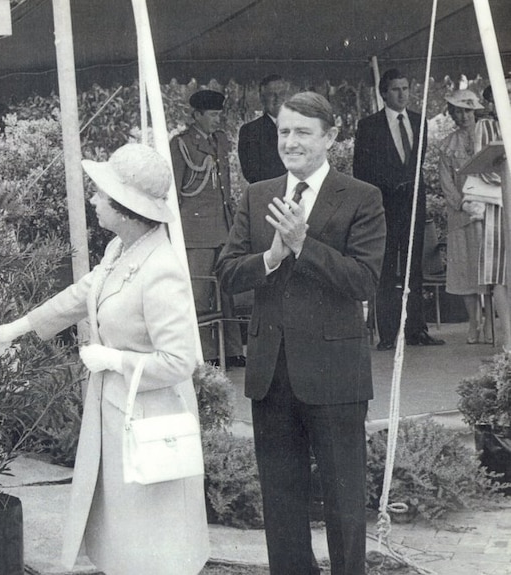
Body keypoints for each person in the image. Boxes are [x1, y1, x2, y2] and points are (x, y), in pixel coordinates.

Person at [0, 143, 209, 575]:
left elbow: (180, 362)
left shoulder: (161, 268)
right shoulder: (119, 250)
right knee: (121, 531)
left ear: (125, 208)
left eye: (100, 194)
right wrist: (16, 328)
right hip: (115, 412)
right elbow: (79, 296)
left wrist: (112, 358)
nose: (93, 199)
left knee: (153, 537)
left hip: (151, 420)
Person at [218, 92, 386, 575]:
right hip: (271, 372)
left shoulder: (361, 196)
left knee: (344, 501)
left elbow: (364, 281)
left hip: (335, 374)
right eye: (283, 132)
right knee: (281, 503)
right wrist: (271, 257)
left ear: (331, 137)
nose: (290, 142)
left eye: (302, 132)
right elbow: (227, 275)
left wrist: (301, 245)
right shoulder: (257, 194)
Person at [353, 68, 444, 350]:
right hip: (384, 207)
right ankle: (390, 334)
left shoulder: (419, 122)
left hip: (413, 205)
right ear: (383, 93)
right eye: (395, 89)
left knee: (413, 267)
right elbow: (361, 170)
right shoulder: (369, 126)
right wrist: (385, 191)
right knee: (388, 268)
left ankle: (417, 329)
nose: (402, 94)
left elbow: (416, 165)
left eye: (405, 88)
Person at [170, 88, 245, 368]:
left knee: (228, 291)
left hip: (222, 226)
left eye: (219, 114)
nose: (217, 120)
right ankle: (207, 354)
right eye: (213, 115)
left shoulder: (220, 141)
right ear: (196, 115)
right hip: (195, 229)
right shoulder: (181, 145)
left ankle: (234, 350)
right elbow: (175, 191)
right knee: (200, 293)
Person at [438, 90, 491, 344]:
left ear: (475, 111)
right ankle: (474, 321)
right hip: (461, 216)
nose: (462, 116)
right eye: (457, 111)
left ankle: (491, 321)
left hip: (490, 212)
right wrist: (462, 204)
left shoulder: (490, 137)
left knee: (490, 268)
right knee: (465, 270)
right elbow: (446, 183)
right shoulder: (448, 145)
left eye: (467, 110)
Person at [474, 76, 511, 350]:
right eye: (504, 93)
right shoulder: (487, 126)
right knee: (499, 271)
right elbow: (485, 167)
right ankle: (508, 337)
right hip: (499, 206)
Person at [238, 74, 288, 183]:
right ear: (262, 98)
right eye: (272, 95)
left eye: (282, 94)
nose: (278, 99)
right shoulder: (250, 131)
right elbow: (252, 174)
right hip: (268, 195)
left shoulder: (298, 127)